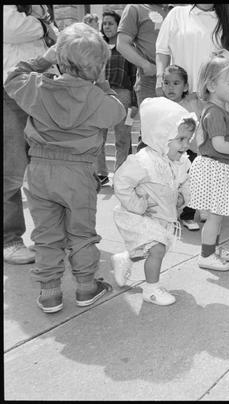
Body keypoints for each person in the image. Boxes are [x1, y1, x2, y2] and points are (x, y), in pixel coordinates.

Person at [4, 23, 126, 313]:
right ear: (98, 68)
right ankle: (85, 287)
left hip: (40, 170)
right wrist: (103, 84)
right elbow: (118, 112)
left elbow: (12, 78)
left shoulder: (38, 87)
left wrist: (42, 60)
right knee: (81, 234)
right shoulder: (98, 99)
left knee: (47, 235)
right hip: (78, 173)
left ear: (59, 59)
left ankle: (50, 293)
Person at [111, 97, 196, 306]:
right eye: (181, 139)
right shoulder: (143, 161)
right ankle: (151, 289)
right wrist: (137, 204)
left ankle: (125, 258)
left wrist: (183, 197)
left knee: (153, 250)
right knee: (157, 249)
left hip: (163, 217)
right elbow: (121, 182)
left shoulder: (180, 161)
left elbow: (186, 181)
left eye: (188, 139)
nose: (186, 145)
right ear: (161, 135)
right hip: (140, 216)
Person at [3, 5, 58, 265]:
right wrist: (44, 26)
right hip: (11, 88)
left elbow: (53, 38)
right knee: (11, 169)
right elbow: (10, 27)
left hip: (41, 84)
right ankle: (9, 240)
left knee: (47, 166)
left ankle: (49, 235)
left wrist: (45, 26)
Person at [155, 4, 229, 143]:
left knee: (212, 149)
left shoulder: (226, 22)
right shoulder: (177, 14)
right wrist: (160, 78)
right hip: (182, 98)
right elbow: (162, 50)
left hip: (214, 101)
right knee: (181, 148)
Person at [188, 55, 229, 272]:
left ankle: (213, 248)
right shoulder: (214, 112)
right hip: (215, 168)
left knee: (217, 215)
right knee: (214, 217)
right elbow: (219, 145)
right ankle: (206, 255)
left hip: (217, 167)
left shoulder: (218, 110)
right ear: (211, 86)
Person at [117, 4, 171, 151]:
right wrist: (145, 65)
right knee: (151, 136)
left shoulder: (178, 9)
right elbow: (122, 44)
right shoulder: (136, 8)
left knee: (179, 132)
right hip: (151, 81)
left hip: (181, 80)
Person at [160, 64, 207, 231]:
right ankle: (167, 215)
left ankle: (188, 215)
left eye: (176, 83)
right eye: (166, 83)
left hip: (190, 151)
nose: (170, 87)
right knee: (166, 185)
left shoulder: (193, 103)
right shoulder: (160, 105)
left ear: (185, 86)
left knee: (191, 183)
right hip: (167, 153)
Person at [96, 9, 138, 186]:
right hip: (100, 95)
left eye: (110, 23)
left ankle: (120, 175)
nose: (107, 27)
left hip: (123, 94)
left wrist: (134, 102)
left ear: (118, 26)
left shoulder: (127, 47)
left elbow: (134, 76)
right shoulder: (98, 48)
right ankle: (101, 173)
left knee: (122, 138)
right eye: (104, 23)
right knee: (98, 137)